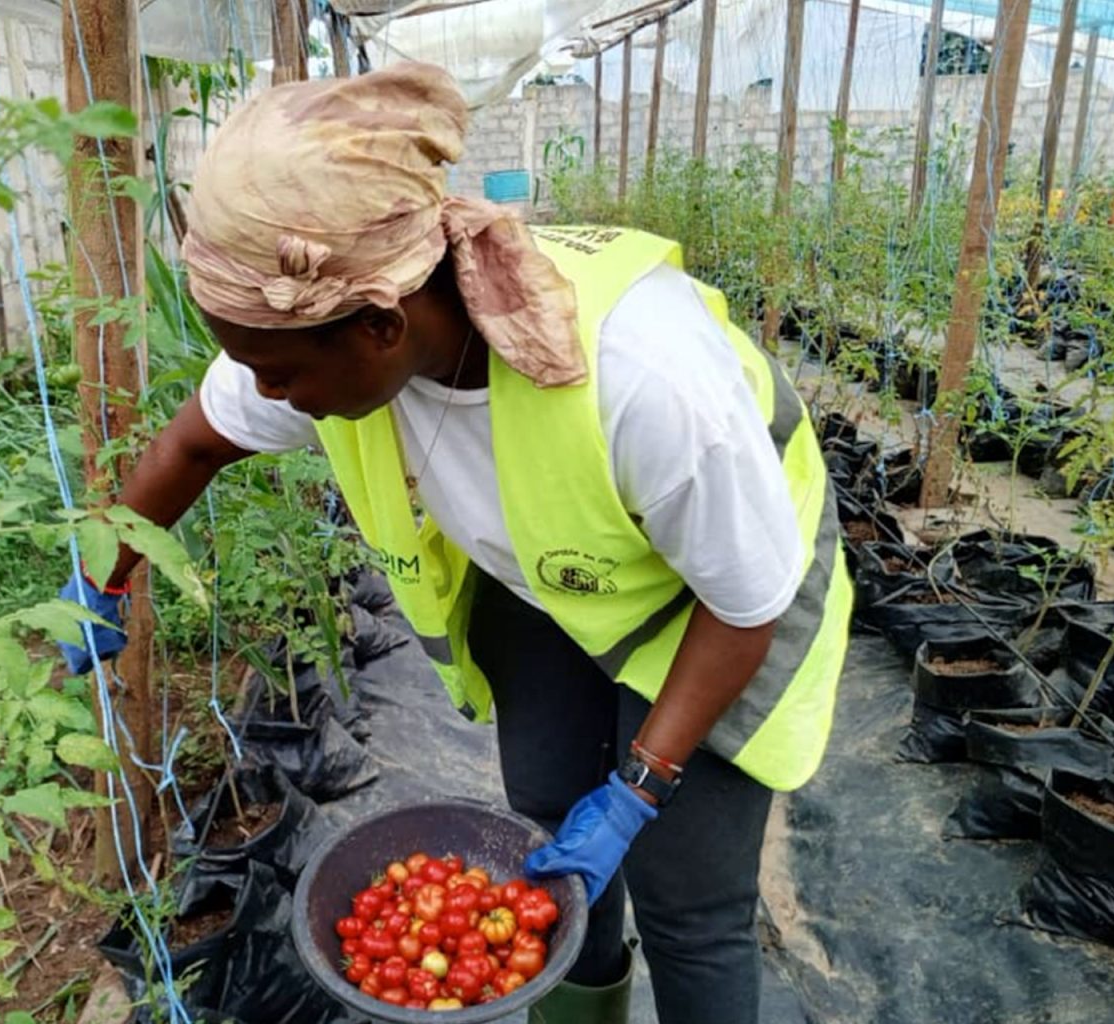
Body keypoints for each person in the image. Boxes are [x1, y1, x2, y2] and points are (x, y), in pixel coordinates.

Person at [61, 62, 851, 1024]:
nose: (264, 395)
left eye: (276, 373)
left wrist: (643, 784)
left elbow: (745, 603)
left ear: (384, 325)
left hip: (726, 594)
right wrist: (101, 580)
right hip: (560, 573)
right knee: (552, 819)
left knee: (689, 901)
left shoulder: (646, 379)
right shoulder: (320, 336)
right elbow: (192, 443)